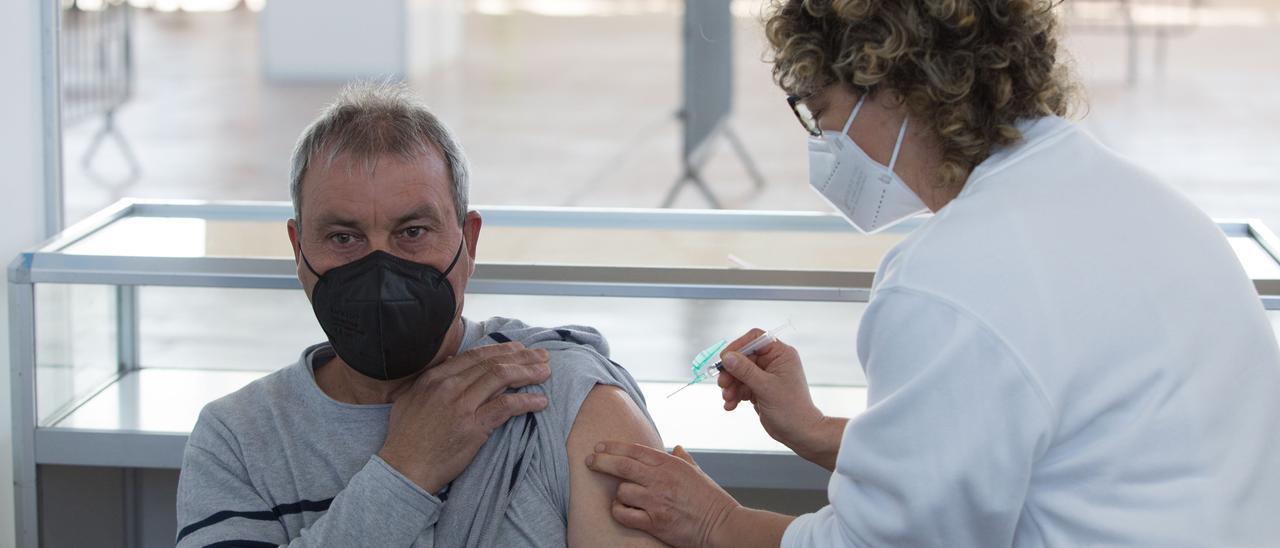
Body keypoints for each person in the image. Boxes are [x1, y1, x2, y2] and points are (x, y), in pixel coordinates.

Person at [586, 1, 1280, 546]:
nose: (825, 144)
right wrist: (815, 429)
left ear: (890, 82)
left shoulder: (953, 276)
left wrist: (713, 523)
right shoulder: (1122, 196)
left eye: (821, 114)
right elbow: (1019, 448)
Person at [175, 82, 667, 547]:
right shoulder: (238, 438)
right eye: (344, 238)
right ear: (298, 249)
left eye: (412, 231)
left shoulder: (563, 396)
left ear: (468, 242)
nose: (381, 271)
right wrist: (407, 469)